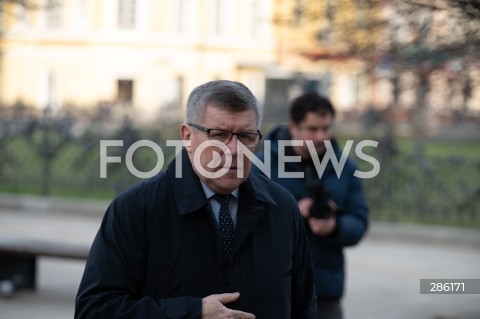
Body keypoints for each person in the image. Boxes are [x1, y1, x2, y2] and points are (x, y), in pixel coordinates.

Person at [75, 80, 317, 319]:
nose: (233, 149)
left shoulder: (282, 207)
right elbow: (95, 310)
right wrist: (191, 312)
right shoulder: (137, 209)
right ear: (187, 136)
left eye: (245, 136)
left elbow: (304, 307)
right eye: (219, 135)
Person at [253, 92, 369, 319]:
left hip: (324, 291)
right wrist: (293, 213)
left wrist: (335, 226)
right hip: (275, 288)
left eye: (326, 128)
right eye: (313, 129)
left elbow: (360, 221)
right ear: (294, 127)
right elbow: (246, 223)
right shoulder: (260, 166)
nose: (321, 136)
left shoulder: (345, 167)